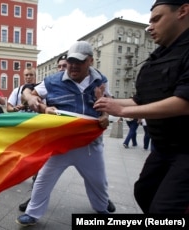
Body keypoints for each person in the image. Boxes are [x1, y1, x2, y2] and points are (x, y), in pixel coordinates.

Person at [94, 0, 189, 214]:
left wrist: (122, 111)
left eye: (157, 19)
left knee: (164, 209)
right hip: (164, 148)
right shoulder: (159, 56)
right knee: (144, 192)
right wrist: (109, 103)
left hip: (185, 150)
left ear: (182, 11)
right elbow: (141, 99)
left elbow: (184, 103)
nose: (150, 27)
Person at [16, 41, 115, 226]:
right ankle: (32, 213)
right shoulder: (53, 81)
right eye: (70, 61)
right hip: (61, 144)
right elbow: (28, 93)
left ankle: (101, 208)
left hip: (89, 145)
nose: (73, 66)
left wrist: (105, 115)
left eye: (79, 61)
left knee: (98, 181)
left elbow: (107, 102)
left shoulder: (100, 79)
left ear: (90, 61)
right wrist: (34, 100)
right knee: (43, 180)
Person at [17, 60, 68, 212]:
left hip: (58, 133)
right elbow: (24, 94)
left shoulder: (54, 84)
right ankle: (34, 200)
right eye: (59, 66)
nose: (28, 77)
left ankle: (102, 199)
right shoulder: (46, 84)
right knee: (40, 169)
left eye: (31, 75)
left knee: (92, 172)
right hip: (34, 134)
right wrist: (28, 98)